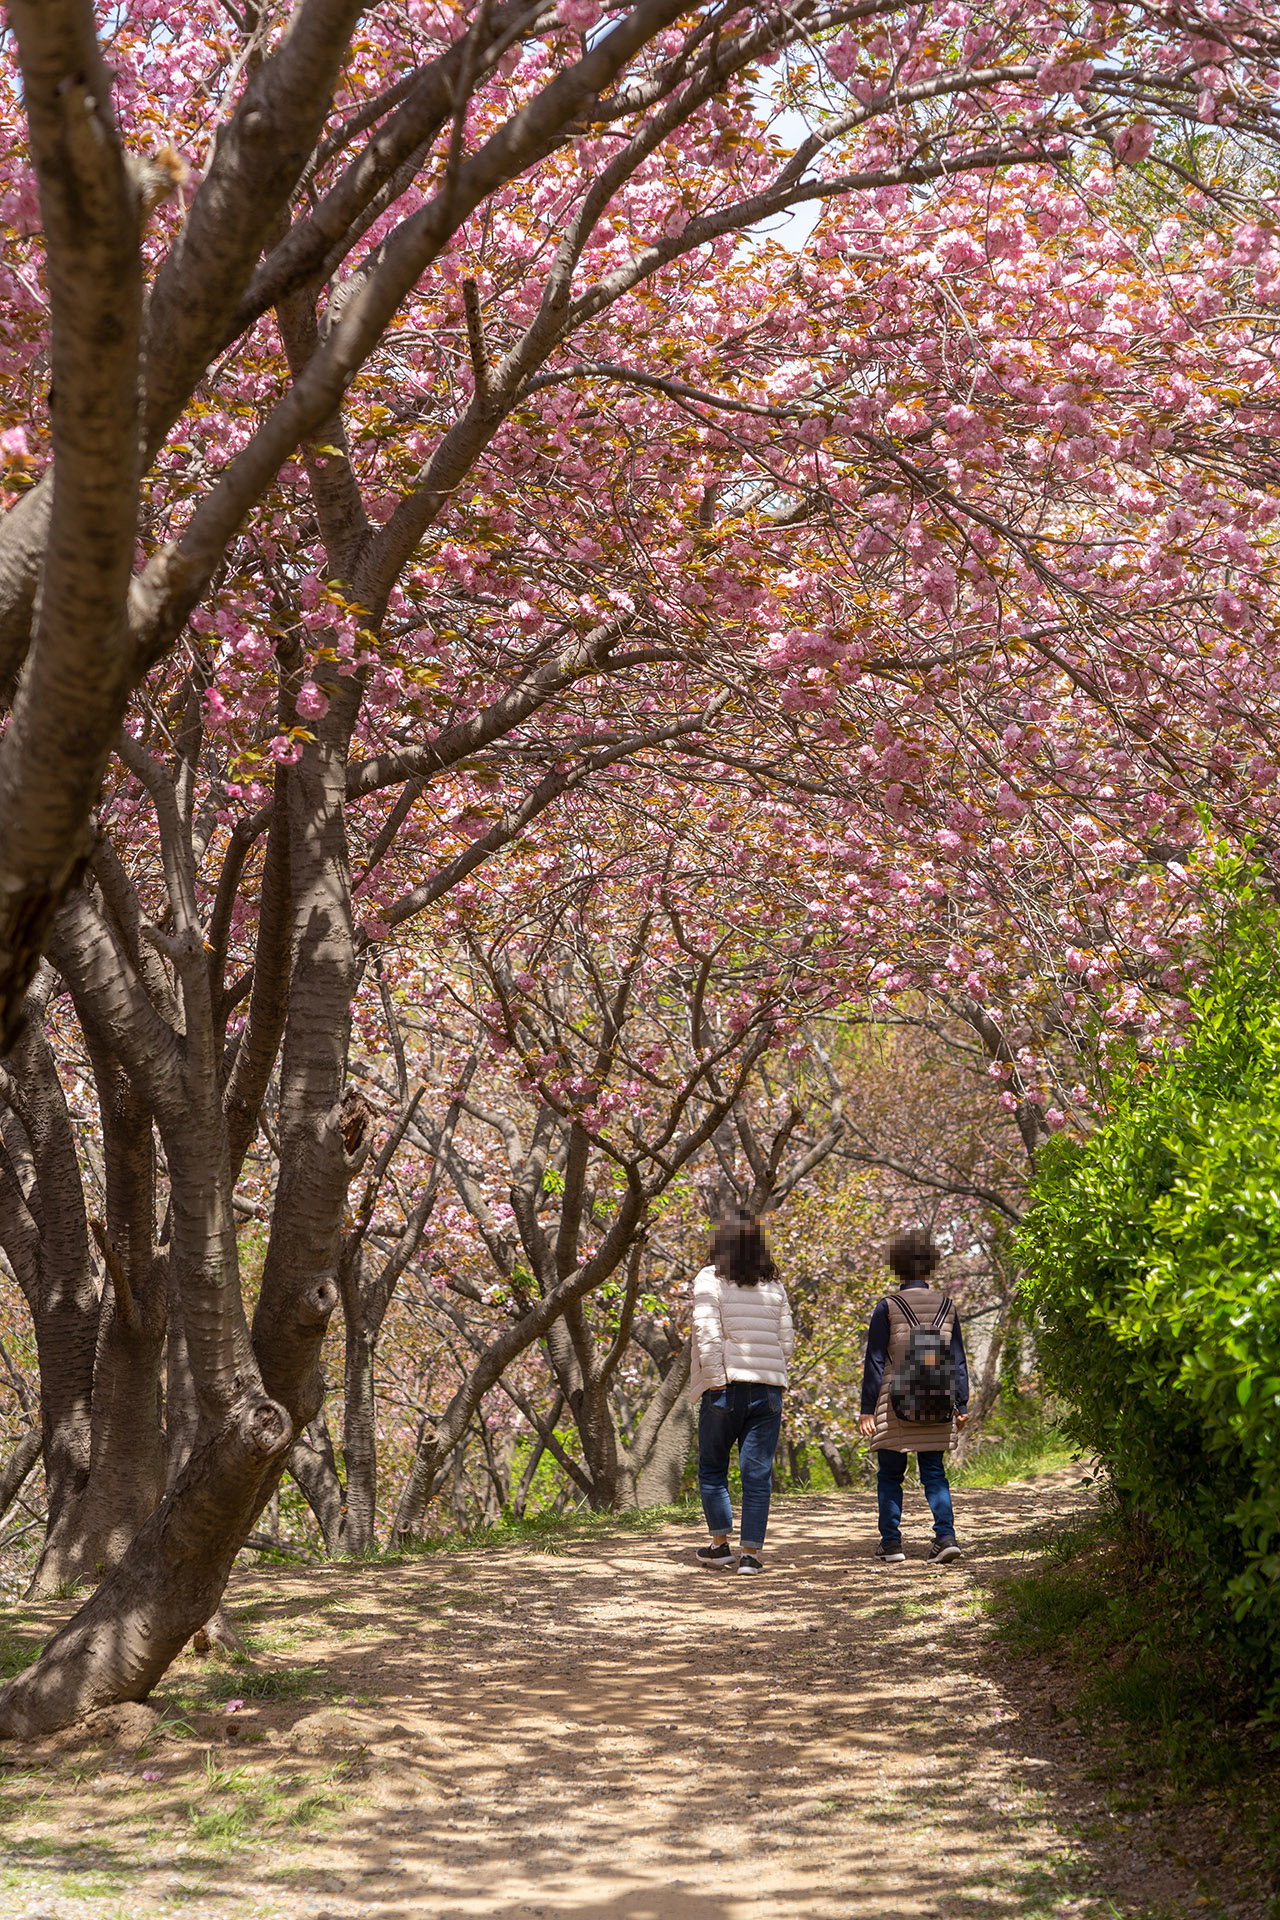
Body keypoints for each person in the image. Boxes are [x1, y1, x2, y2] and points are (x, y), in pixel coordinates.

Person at [689, 1211, 794, 1575]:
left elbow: (707, 1333)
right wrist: (772, 1372)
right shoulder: (774, 1284)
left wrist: (717, 1379)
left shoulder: (709, 1278)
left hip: (726, 1385)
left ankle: (719, 1547)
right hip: (768, 1388)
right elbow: (787, 1342)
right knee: (757, 1474)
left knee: (713, 1467)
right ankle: (749, 1554)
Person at [857, 1227, 970, 1565]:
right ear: (930, 1266)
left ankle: (891, 1543)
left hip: (895, 1404)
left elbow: (875, 1361)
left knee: (891, 1473)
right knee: (934, 1471)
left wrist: (866, 1410)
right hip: (938, 1400)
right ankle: (945, 1536)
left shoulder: (888, 1307)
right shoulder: (947, 1306)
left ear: (897, 1266)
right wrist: (961, 1404)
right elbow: (958, 1360)